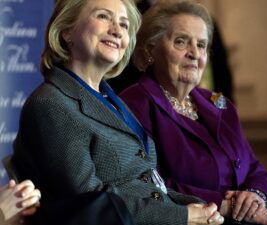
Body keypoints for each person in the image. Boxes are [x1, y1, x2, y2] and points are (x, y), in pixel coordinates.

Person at [11, 0, 224, 224]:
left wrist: (200, 207)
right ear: (67, 31)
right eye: (103, 17)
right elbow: (90, 202)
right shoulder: (52, 104)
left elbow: (148, 184)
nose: (116, 30)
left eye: (123, 24)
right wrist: (183, 216)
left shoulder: (108, 97)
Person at [119, 1, 267, 224]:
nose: (194, 53)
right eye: (181, 42)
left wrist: (256, 196)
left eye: (201, 45)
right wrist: (226, 203)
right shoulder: (134, 104)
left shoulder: (219, 104)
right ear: (151, 49)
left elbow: (253, 167)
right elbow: (147, 183)